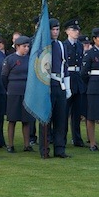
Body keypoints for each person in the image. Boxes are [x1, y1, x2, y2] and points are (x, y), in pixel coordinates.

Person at [37, 18, 72, 158]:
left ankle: (60, 149)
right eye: (53, 29)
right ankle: (45, 149)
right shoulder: (43, 45)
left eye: (57, 29)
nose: (55, 32)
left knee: (61, 119)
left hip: (60, 83)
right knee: (46, 119)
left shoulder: (61, 45)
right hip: (47, 84)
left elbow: (65, 66)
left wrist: (67, 88)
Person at [1, 36, 34, 153]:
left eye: (28, 46)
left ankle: (27, 145)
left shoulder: (30, 59)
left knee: (26, 120)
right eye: (24, 46)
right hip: (13, 91)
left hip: (26, 91)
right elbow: (4, 76)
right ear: (17, 46)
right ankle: (10, 144)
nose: (27, 49)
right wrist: (8, 89)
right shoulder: (10, 59)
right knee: (12, 119)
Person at [62, 19, 86, 147]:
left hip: (77, 77)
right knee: (64, 111)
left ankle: (77, 138)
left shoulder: (80, 45)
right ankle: (62, 137)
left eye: (77, 30)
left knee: (77, 112)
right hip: (68, 77)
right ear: (67, 31)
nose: (76, 32)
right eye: (73, 30)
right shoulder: (63, 45)